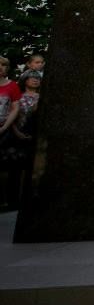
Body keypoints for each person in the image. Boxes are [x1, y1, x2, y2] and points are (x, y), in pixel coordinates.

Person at [0, 56, 23, 210]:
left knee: (6, 168)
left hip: (5, 131)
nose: (1, 67)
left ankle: (7, 200)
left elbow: (15, 108)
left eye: (3, 65)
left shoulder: (12, 86)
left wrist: (4, 127)